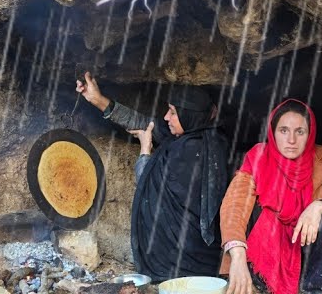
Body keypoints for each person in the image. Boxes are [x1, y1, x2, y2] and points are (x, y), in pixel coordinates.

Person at [76, 73, 230, 282]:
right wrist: (98, 100)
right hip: (205, 259)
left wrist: (145, 149)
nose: (166, 117)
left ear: (188, 115)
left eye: (173, 112)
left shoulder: (187, 151)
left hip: (180, 262)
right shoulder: (207, 136)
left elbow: (147, 185)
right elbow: (142, 122)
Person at [220, 99, 322, 294]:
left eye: (300, 132)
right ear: (272, 133)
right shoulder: (258, 156)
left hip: (307, 249)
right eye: (283, 130)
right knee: (253, 206)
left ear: (310, 134)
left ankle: (314, 284)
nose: (291, 139)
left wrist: (319, 205)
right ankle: (265, 275)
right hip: (269, 249)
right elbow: (234, 205)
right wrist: (237, 257)